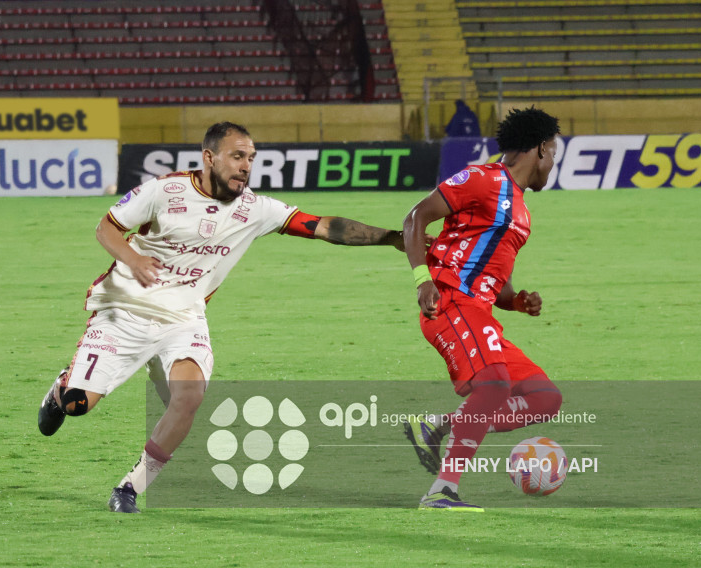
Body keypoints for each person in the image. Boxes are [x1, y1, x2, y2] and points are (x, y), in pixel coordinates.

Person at [38, 121, 406, 513]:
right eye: (237, 156)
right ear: (209, 157)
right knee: (79, 405)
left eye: (250, 158)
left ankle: (130, 488)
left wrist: (391, 237)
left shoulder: (257, 209)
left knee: (188, 397)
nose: (246, 166)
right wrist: (133, 258)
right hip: (123, 312)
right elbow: (106, 228)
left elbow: (323, 226)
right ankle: (63, 389)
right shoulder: (165, 191)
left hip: (183, 320)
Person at [401, 107, 563, 510]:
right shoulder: (484, 179)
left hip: (480, 312)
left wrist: (516, 301)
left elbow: (492, 277)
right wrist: (423, 280)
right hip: (450, 303)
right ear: (541, 149)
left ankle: (438, 427)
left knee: (544, 398)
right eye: (554, 152)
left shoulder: (521, 208)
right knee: (493, 385)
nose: (554, 163)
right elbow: (416, 217)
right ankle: (442, 490)